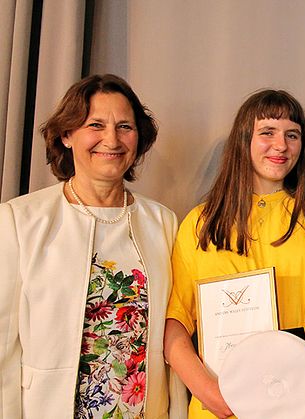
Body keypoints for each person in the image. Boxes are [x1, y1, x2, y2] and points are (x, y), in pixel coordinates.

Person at [0, 74, 187, 418]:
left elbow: (174, 334)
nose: (111, 139)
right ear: (67, 135)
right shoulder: (18, 220)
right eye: (95, 125)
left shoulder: (163, 223)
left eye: (125, 127)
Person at [164, 89, 305, 419]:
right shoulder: (200, 223)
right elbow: (176, 321)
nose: (281, 145)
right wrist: (207, 392)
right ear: (244, 140)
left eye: (292, 135)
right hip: (224, 389)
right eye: (267, 132)